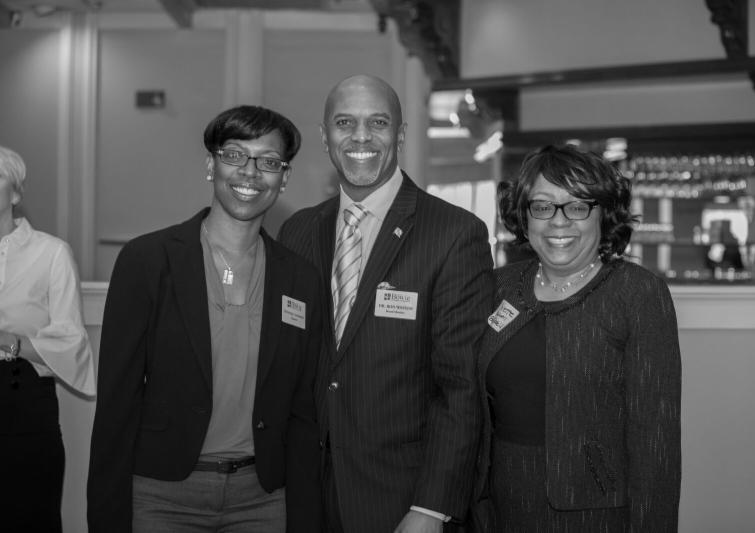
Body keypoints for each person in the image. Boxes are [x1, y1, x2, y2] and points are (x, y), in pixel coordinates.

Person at [87, 105, 323, 533]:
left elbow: (303, 413)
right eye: (234, 155)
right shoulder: (148, 262)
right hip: (162, 497)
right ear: (210, 165)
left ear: (284, 178)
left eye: (269, 162)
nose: (250, 172)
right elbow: (117, 404)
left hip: (263, 501)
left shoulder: (301, 279)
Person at [278, 75, 494, 533]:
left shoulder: (454, 234)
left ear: (400, 134)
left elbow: (461, 387)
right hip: (305, 496)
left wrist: (431, 508)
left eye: (377, 122)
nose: (361, 137)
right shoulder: (297, 232)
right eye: (344, 123)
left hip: (401, 500)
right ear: (324, 136)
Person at [472, 144, 681, 532]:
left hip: (595, 513)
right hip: (499, 506)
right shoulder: (497, 287)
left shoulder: (637, 293)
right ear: (524, 216)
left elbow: (655, 442)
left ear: (604, 214)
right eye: (543, 206)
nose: (559, 221)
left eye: (578, 206)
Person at [0, 145, 96, 531]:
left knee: (29, 517)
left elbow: (72, 342)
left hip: (21, 402)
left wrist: (7, 340)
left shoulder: (51, 253)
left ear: (16, 193)